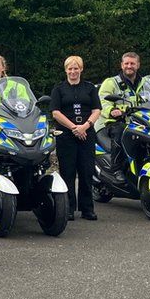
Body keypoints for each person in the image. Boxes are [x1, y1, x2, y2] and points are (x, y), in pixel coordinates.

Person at [50, 56, 102, 221]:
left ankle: (87, 209)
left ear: (81, 69)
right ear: (66, 70)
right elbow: (55, 113)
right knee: (68, 172)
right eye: (70, 69)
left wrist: (84, 126)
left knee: (87, 172)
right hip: (66, 135)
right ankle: (69, 208)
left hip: (86, 134)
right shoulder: (58, 89)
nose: (73, 71)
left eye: (76, 68)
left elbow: (96, 110)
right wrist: (73, 127)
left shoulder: (89, 88)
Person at [97, 52, 144, 180]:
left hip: (141, 122)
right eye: (127, 63)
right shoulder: (111, 82)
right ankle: (116, 169)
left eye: (132, 63)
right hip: (111, 122)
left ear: (138, 65)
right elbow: (102, 100)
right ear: (122, 65)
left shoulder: (148, 83)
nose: (129, 66)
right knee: (121, 131)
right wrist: (112, 110)